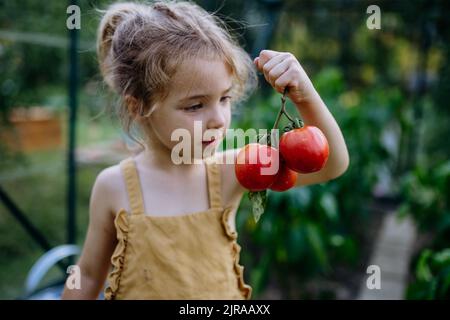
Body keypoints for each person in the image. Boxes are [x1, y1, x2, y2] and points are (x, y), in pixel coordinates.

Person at [61, 0, 349, 300]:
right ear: (139, 107)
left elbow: (332, 166)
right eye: (196, 105)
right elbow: (90, 274)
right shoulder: (114, 186)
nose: (218, 119)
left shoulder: (232, 170)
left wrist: (305, 96)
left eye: (224, 99)